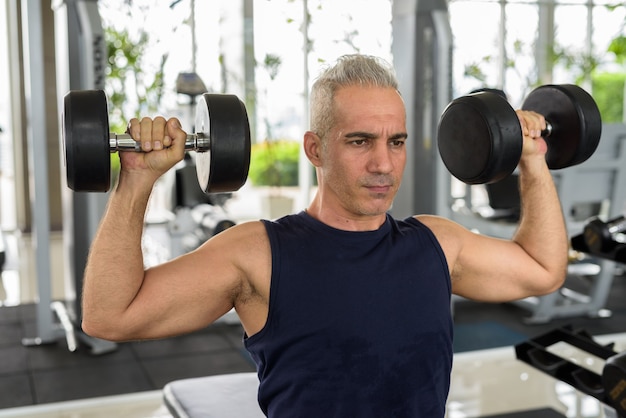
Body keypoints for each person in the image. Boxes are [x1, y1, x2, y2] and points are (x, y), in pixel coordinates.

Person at [81, 54, 568, 417]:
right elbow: (110, 316)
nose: (383, 164)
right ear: (315, 148)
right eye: (359, 141)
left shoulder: (439, 245)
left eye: (394, 142)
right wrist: (137, 179)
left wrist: (532, 159)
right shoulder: (257, 254)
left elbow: (544, 270)